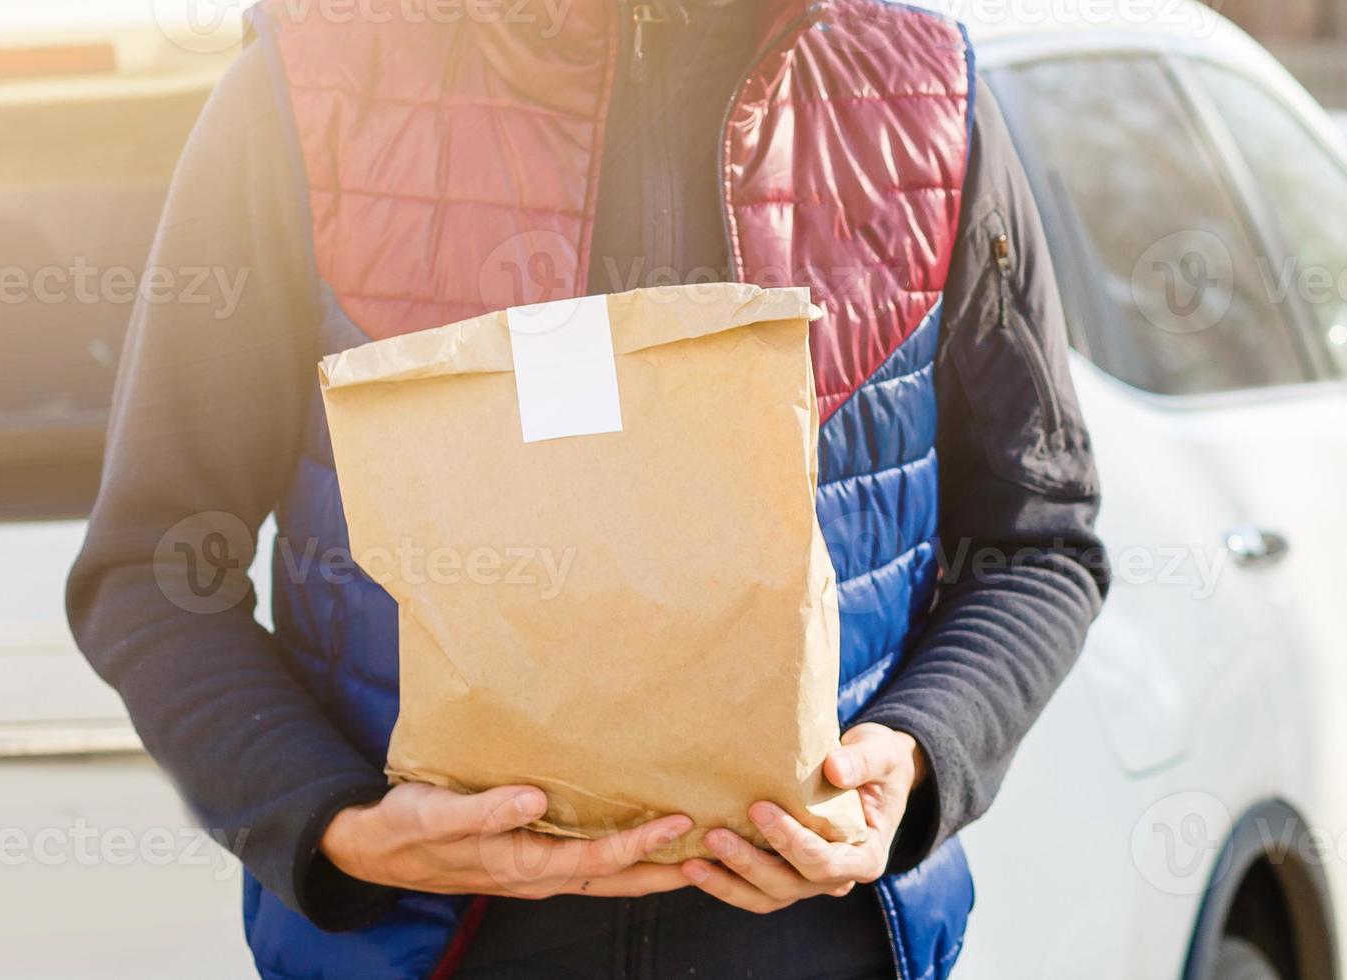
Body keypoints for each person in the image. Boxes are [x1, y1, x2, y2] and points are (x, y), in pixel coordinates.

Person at [64, 0, 1106, 977]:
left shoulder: (923, 97)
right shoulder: (313, 91)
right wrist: (338, 823)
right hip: (428, 948)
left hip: (820, 943)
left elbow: (1037, 538)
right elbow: (152, 571)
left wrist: (919, 753)